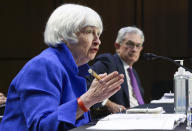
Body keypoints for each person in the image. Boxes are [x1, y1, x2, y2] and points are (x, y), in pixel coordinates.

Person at [0, 4, 124, 130]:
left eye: (98, 34)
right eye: (89, 32)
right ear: (64, 35)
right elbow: (42, 126)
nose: (98, 41)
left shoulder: (79, 69)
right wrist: (88, 100)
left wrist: (89, 100)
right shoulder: (43, 66)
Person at [87, 26, 145, 116]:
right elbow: (86, 81)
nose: (134, 49)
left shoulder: (133, 73)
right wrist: (108, 104)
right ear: (117, 46)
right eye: (130, 44)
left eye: (138, 45)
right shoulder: (108, 62)